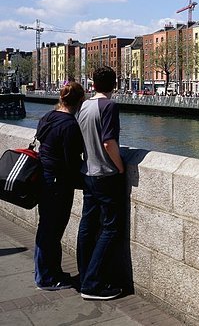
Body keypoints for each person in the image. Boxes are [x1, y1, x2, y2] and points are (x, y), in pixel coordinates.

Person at [76, 66, 126, 301]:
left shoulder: (84, 106)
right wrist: (120, 166)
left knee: (87, 227)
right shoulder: (109, 106)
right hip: (105, 175)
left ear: (93, 84)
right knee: (110, 228)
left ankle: (85, 276)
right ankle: (93, 284)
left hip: (88, 173)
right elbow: (109, 142)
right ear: (113, 84)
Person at [34, 81, 86, 290]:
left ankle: (47, 271)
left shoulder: (48, 117)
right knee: (53, 230)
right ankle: (46, 277)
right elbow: (72, 162)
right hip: (58, 183)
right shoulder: (70, 125)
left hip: (44, 178)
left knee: (46, 228)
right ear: (80, 101)